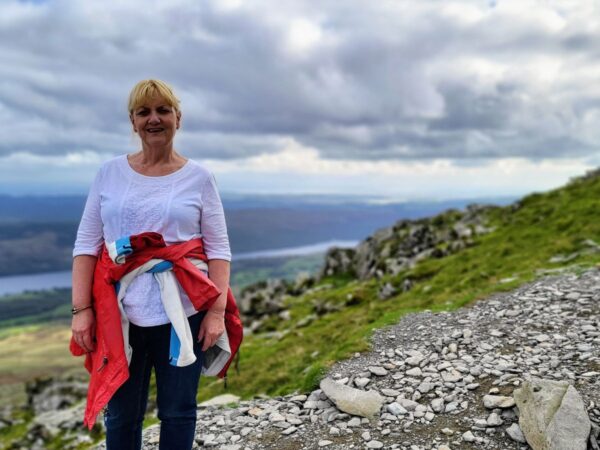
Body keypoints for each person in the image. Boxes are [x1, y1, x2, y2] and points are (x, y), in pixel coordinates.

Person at [70, 79, 239, 450]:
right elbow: (87, 243)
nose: (154, 119)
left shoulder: (200, 177)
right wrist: (82, 309)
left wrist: (215, 312)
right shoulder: (108, 173)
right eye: (143, 112)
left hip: (185, 310)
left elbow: (218, 249)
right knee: (121, 412)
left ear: (178, 118)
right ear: (133, 121)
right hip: (119, 311)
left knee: (178, 411)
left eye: (163, 110)